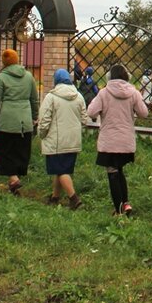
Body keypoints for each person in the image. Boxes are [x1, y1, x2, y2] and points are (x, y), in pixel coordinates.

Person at [88, 64, 149, 216]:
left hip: (109, 142)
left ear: (110, 77)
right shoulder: (134, 93)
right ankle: (126, 204)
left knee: (113, 173)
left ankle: (119, 210)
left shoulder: (104, 93)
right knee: (119, 170)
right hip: (126, 141)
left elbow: (91, 112)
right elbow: (144, 113)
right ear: (126, 77)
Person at [0, 48, 39, 195]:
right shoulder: (28, 77)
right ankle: (14, 183)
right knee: (21, 151)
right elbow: (34, 99)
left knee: (4, 151)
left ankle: (13, 178)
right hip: (25, 122)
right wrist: (35, 116)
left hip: (7, 121)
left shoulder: (2, 78)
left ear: (4, 62)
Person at [38, 68, 88, 209]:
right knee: (61, 170)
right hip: (73, 141)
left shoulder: (51, 97)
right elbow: (84, 120)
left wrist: (41, 134)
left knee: (61, 170)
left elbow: (44, 120)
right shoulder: (78, 96)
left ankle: (74, 199)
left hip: (56, 141)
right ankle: (55, 197)